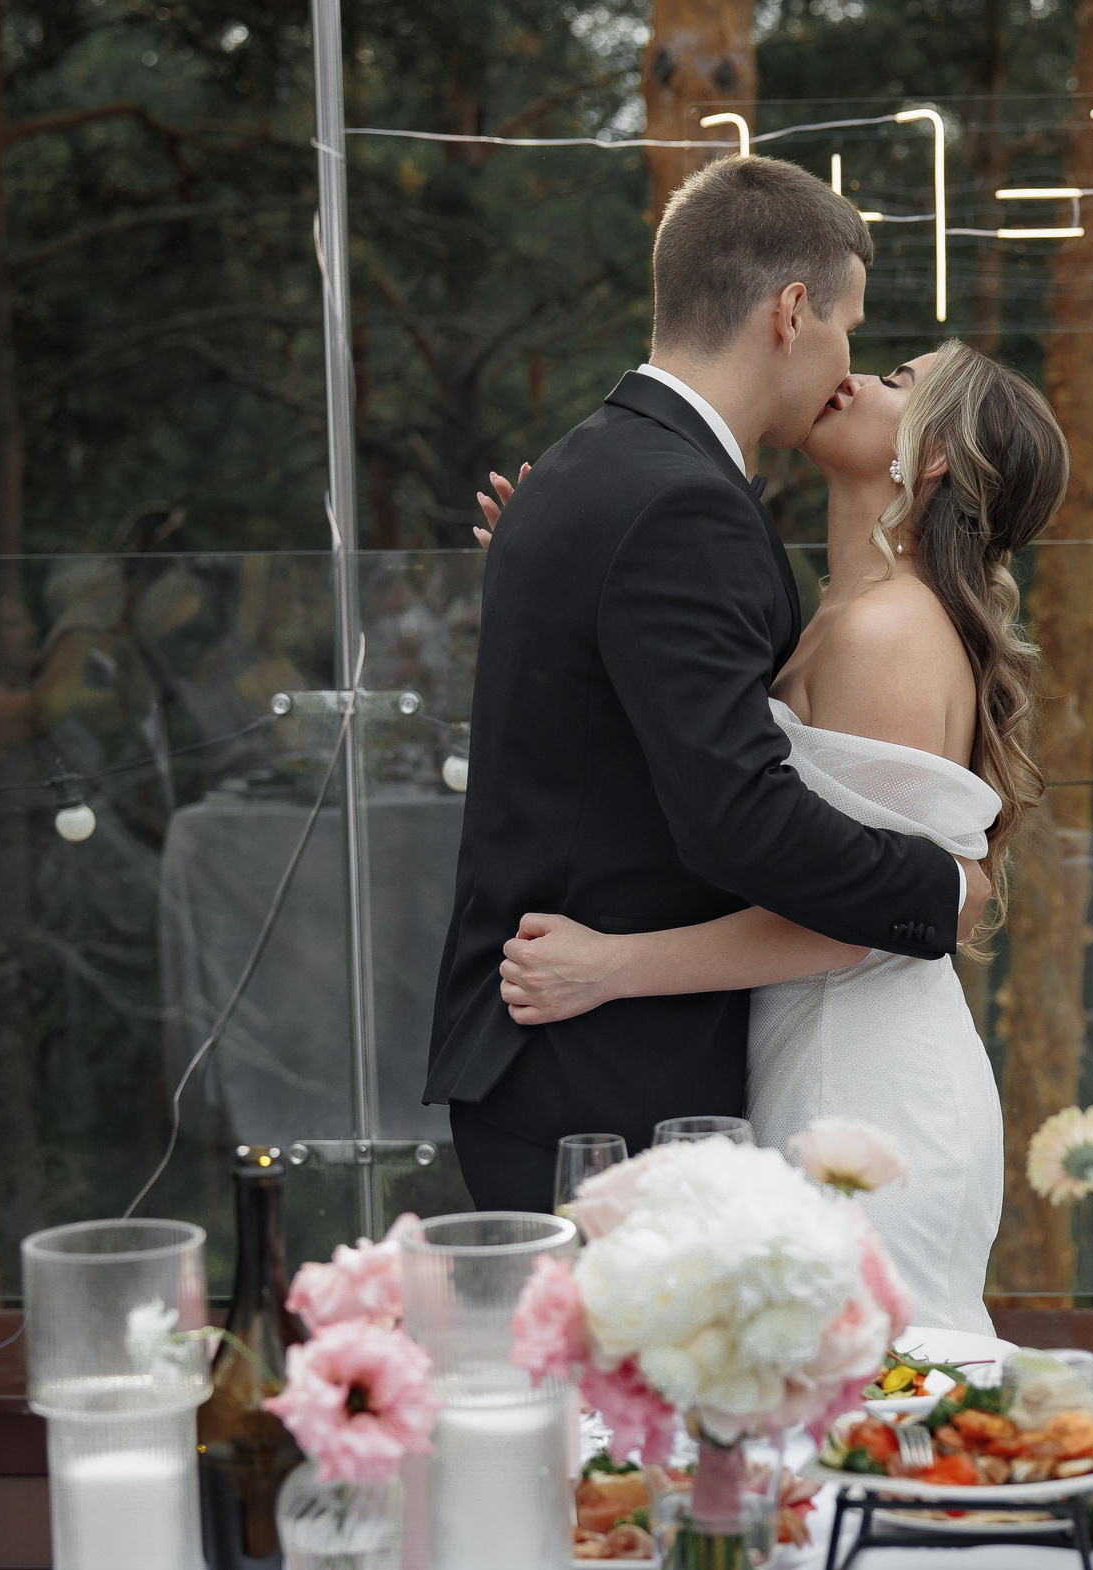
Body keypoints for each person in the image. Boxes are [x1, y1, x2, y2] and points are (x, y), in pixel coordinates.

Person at [424, 154, 992, 1219]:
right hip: (604, 1084)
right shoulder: (682, 504)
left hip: (567, 1064)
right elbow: (738, 819)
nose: (846, 358)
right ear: (790, 311)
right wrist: (945, 891)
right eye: (848, 325)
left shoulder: (594, 467)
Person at [483, 342, 1067, 1335]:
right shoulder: (837, 615)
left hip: (866, 1082)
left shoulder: (885, 634)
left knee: (875, 1393)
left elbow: (863, 916)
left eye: (897, 382)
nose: (858, 373)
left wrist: (613, 968)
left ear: (931, 458)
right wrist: (563, 563)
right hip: (813, 1053)